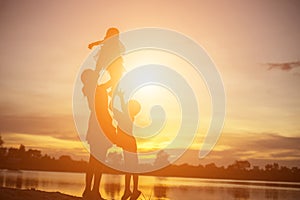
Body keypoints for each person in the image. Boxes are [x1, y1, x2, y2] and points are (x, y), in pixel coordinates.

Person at [113, 90, 142, 200]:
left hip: (130, 144)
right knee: (129, 168)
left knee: (132, 168)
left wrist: (119, 97)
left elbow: (122, 109)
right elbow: (116, 109)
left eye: (130, 105)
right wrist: (117, 97)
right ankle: (129, 190)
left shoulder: (129, 116)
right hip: (128, 144)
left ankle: (133, 190)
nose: (127, 106)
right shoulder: (125, 116)